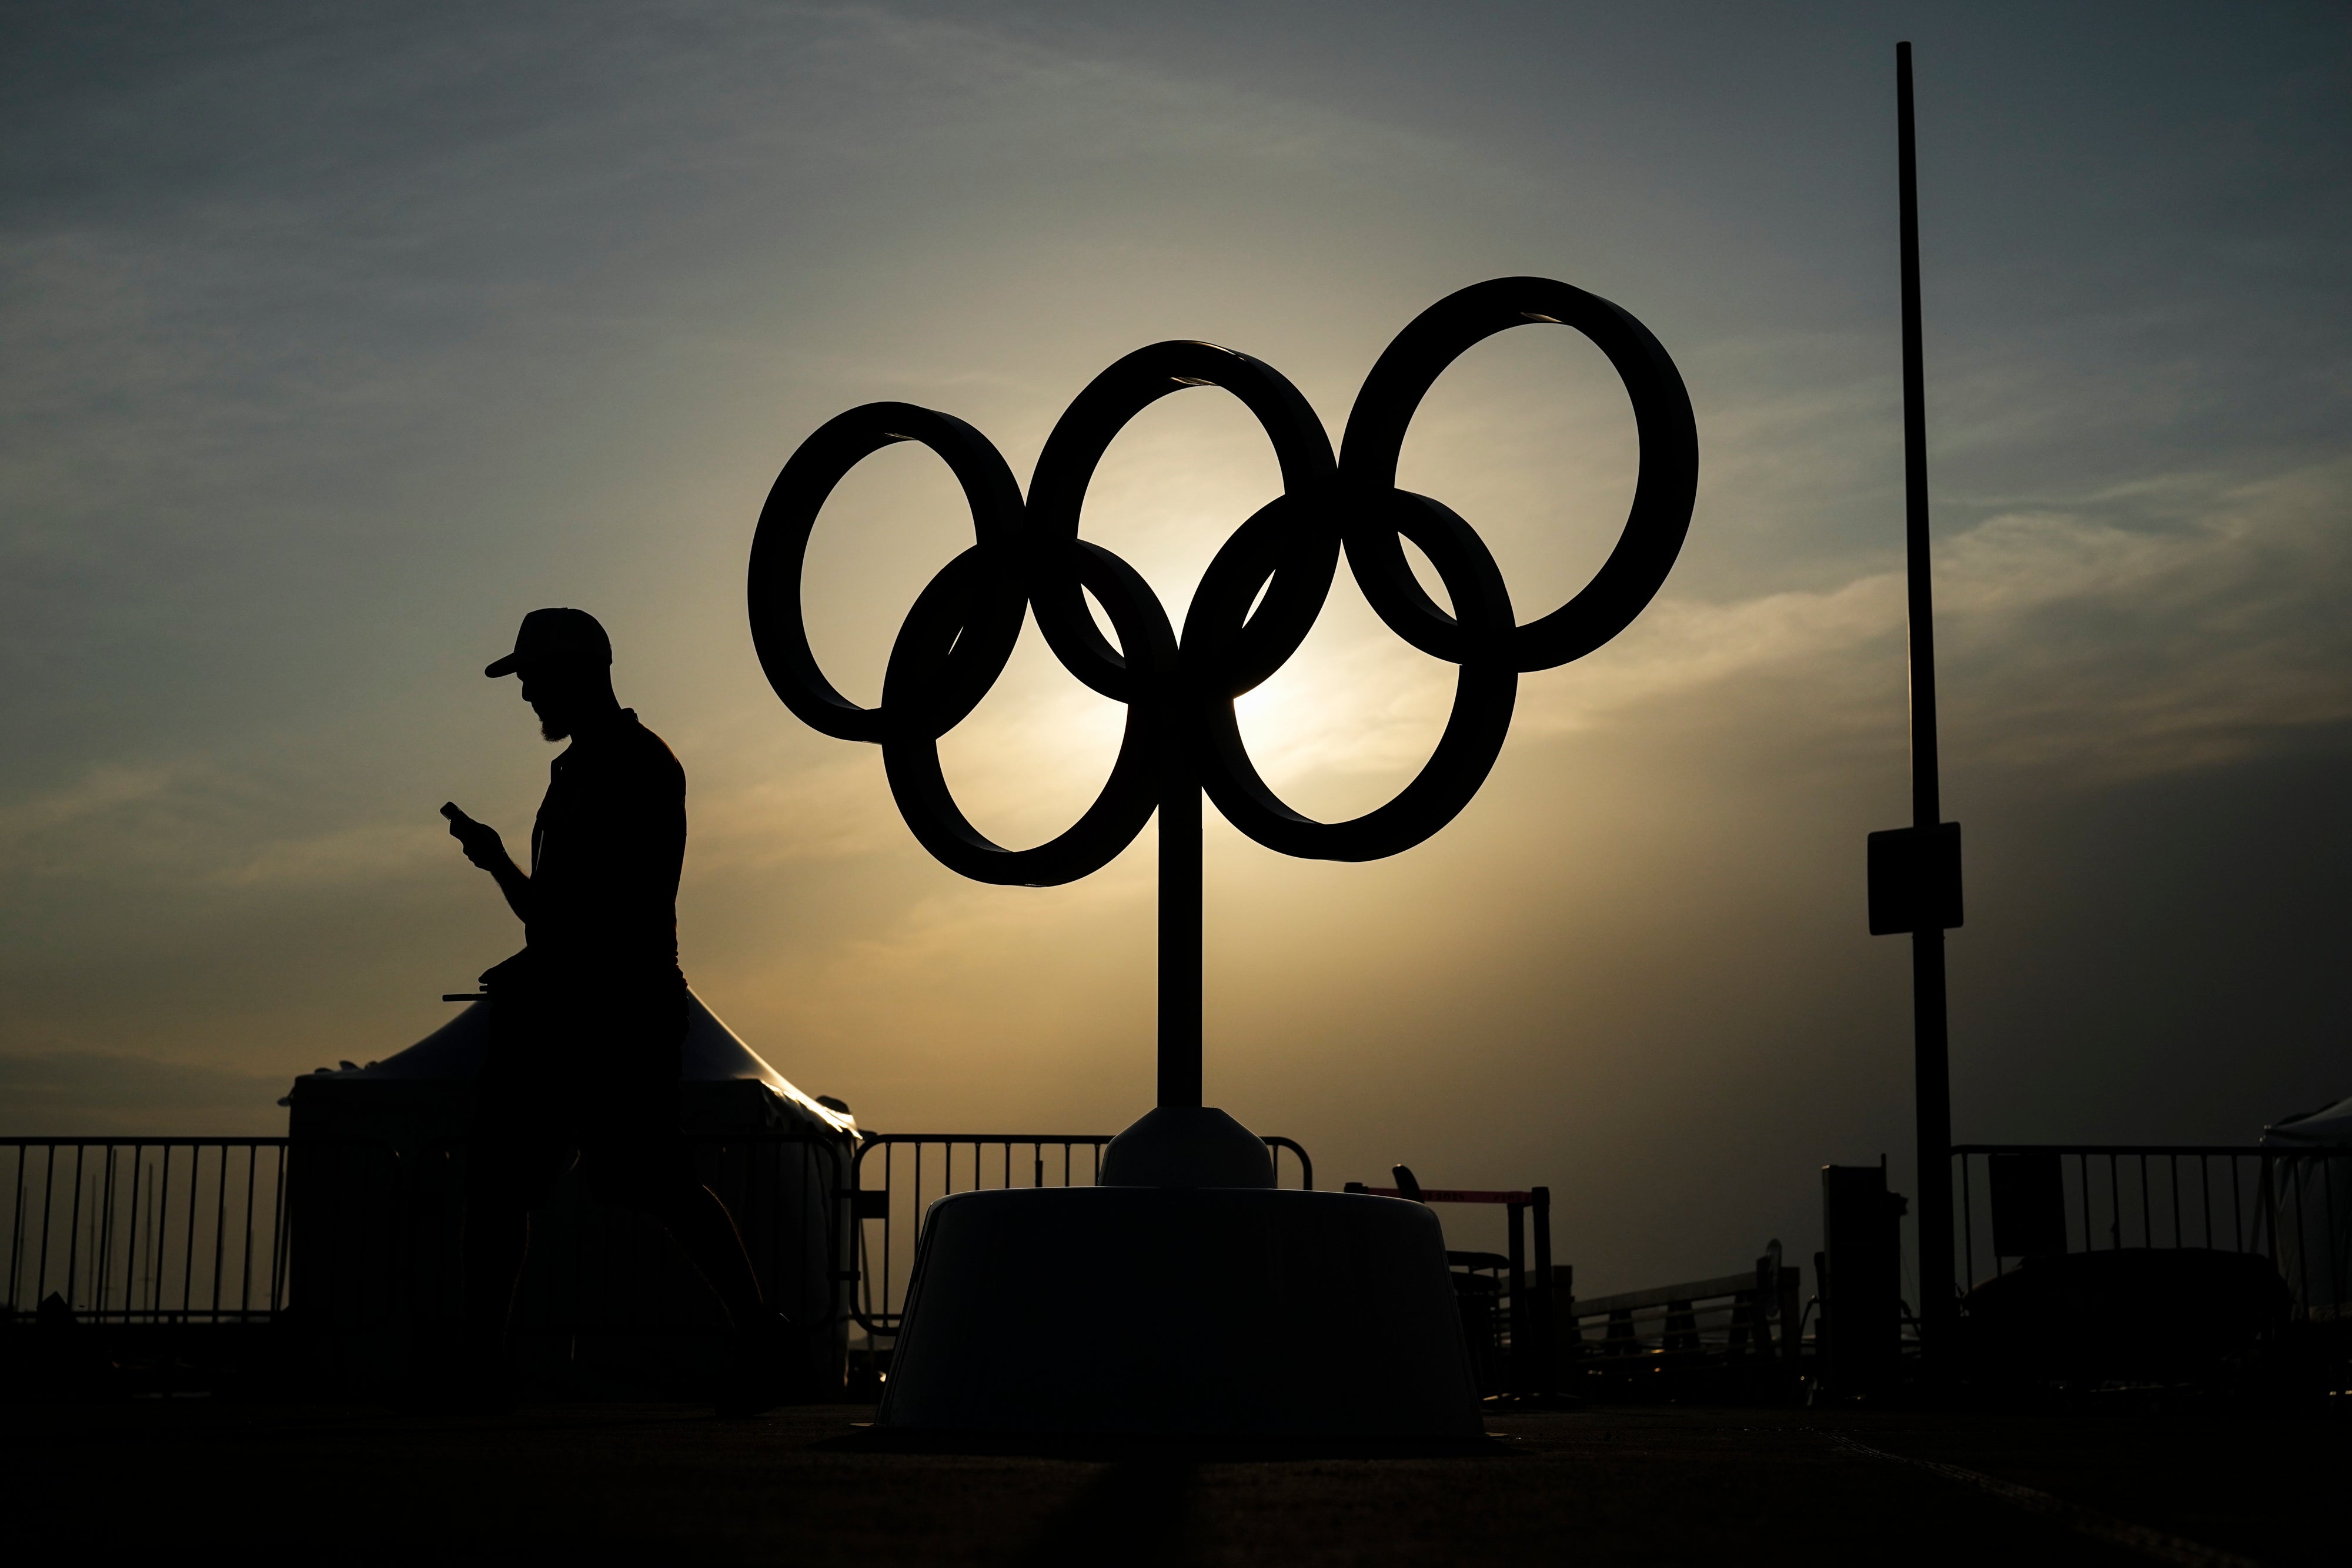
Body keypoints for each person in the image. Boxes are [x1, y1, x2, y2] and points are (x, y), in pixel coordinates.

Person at [443, 607, 789, 1413]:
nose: (526, 695)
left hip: (615, 1011)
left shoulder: (635, 765)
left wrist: (544, 950)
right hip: (570, 1008)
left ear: (578, 672)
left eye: (533, 678)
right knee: (506, 1185)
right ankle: (482, 1365)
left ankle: (761, 1335)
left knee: (649, 1181)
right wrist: (500, 866)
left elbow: (615, 908)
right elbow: (561, 916)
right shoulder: (581, 770)